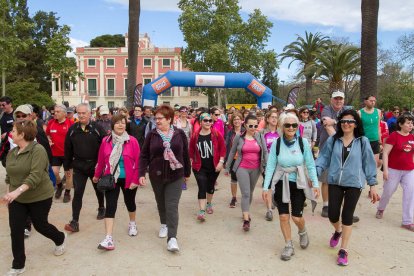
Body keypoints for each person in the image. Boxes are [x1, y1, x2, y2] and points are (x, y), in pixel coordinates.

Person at [2, 121, 66, 276]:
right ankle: (18, 265)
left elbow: (35, 176)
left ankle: (59, 238)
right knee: (16, 230)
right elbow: (9, 176)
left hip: (40, 196)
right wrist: (9, 194)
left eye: (14, 130)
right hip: (18, 199)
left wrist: (16, 192)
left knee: (40, 225)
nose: (11, 132)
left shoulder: (38, 150)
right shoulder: (12, 152)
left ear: (22, 134)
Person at [316, 109, 379, 266]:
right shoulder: (334, 140)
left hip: (354, 183)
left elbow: (369, 163)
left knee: (347, 216)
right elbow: (323, 158)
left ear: (356, 124)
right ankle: (338, 231)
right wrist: (314, 174)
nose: (346, 124)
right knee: (332, 215)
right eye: (343, 121)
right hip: (335, 181)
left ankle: (343, 250)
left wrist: (372, 185)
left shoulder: (362, 141)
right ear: (340, 123)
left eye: (350, 121)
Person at [262, 112, 319, 261]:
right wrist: (266, 187)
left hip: (299, 183)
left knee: (296, 217)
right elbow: (270, 166)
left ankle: (302, 231)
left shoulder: (303, 143)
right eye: (287, 125)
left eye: (294, 125)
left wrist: (315, 184)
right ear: (281, 126)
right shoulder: (277, 143)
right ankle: (288, 245)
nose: (291, 127)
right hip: (281, 181)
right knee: (283, 216)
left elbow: (311, 165)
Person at [139, 105, 191, 252]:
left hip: (176, 175)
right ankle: (164, 224)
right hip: (157, 175)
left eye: (160, 118)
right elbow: (144, 155)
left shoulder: (179, 134)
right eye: (156, 118)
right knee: (161, 202)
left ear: (169, 119)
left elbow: (185, 154)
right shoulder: (152, 135)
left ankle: (172, 238)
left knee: (172, 205)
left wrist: (187, 173)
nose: (157, 121)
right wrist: (141, 173)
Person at [93, 114, 141, 250]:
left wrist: (136, 179)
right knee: (111, 206)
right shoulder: (105, 141)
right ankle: (108, 238)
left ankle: (132, 223)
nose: (121, 125)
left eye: (123, 123)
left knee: (129, 202)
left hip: (129, 179)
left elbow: (139, 162)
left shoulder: (132, 141)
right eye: (118, 123)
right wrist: (97, 176)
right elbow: (101, 160)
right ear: (112, 125)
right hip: (111, 179)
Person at [63, 103, 107, 233]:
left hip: (95, 166)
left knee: (98, 189)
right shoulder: (72, 129)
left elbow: (105, 147)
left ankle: (101, 207)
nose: (81, 115)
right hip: (79, 166)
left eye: (84, 113)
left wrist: (103, 165)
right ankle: (74, 222)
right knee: (78, 193)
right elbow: (67, 149)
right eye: (79, 113)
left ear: (89, 114)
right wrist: (67, 166)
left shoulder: (97, 128)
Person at [225, 114, 268, 231]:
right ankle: (246, 219)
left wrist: (267, 166)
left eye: (255, 125)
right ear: (245, 125)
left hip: (256, 169)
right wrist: (227, 167)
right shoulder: (239, 137)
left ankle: (245, 211)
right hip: (241, 167)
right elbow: (232, 151)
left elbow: (265, 152)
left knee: (251, 191)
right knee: (246, 193)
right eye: (251, 125)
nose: (253, 127)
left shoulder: (260, 136)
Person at [376, 114, 414, 231]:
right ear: (401, 124)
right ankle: (381, 208)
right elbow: (386, 153)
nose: (410, 125)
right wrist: (386, 170)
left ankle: (407, 221)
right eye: (408, 123)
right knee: (388, 191)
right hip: (393, 169)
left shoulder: (412, 137)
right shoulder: (394, 136)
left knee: (410, 193)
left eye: (411, 123)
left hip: (409, 170)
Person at [189, 113, 226, 222]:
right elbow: (191, 150)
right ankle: (201, 210)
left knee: (210, 186)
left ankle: (209, 203)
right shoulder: (195, 135)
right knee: (202, 186)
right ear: (200, 122)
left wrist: (221, 162)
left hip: (214, 166)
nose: (208, 122)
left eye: (210, 121)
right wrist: (191, 161)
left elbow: (223, 149)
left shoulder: (216, 134)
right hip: (199, 167)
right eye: (205, 120)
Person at [318, 91, 346, 218]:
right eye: (336, 99)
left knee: (342, 179)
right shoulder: (326, 109)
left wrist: (334, 121)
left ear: (343, 100)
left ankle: (340, 207)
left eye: (340, 99)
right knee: (326, 179)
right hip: (327, 148)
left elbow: (352, 123)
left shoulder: (346, 110)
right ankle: (325, 205)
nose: (338, 101)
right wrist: (340, 122)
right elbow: (326, 123)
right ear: (331, 100)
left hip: (344, 149)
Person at [46, 104, 74, 203]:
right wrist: (49, 140)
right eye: (54, 111)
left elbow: (74, 138)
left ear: (64, 113)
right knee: (54, 172)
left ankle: (67, 192)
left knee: (68, 175)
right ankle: (59, 186)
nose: (55, 113)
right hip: (55, 153)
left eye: (58, 112)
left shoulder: (70, 123)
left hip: (67, 154)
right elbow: (48, 134)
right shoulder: (51, 123)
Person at [260, 110, 280, 221]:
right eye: (272, 117)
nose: (274, 119)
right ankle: (269, 210)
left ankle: (273, 199)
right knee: (268, 185)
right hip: (266, 163)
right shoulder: (262, 133)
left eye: (276, 117)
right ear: (267, 119)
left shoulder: (281, 133)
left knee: (275, 185)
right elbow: (262, 149)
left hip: (279, 164)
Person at [224, 112, 245, 208]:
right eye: (234, 119)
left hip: (245, 159)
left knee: (245, 179)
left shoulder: (246, 131)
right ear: (232, 121)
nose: (236, 121)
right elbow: (227, 146)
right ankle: (234, 197)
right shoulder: (229, 132)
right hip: (234, 159)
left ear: (242, 120)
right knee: (234, 179)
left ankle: (246, 197)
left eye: (238, 119)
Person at [358, 95, 382, 168]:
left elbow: (378, 127)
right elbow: (358, 129)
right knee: (364, 162)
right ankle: (363, 178)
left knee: (375, 163)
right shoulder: (360, 112)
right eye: (371, 100)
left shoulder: (378, 111)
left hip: (375, 141)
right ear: (365, 101)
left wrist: (380, 142)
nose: (373, 102)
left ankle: (372, 178)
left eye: (374, 101)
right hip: (364, 141)